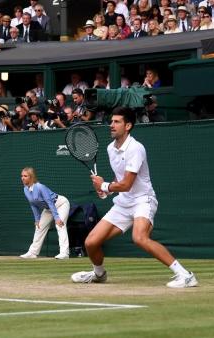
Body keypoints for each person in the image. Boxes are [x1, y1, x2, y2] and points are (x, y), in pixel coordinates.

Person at [71, 107, 198, 288]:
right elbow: (120, 179)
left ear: (128, 125)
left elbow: (128, 184)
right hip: (123, 203)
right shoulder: (110, 148)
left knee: (139, 237)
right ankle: (99, 274)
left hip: (143, 200)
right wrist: (107, 190)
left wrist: (105, 185)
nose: (111, 125)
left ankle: (185, 275)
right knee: (91, 242)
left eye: (117, 122)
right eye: (111, 121)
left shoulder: (136, 148)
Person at [19, 167, 70, 259]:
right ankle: (32, 253)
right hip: (48, 209)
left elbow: (50, 202)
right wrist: (37, 219)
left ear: (31, 177)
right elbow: (33, 205)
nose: (22, 178)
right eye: (22, 176)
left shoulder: (40, 187)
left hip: (60, 203)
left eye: (25, 176)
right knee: (39, 226)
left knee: (60, 225)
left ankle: (64, 253)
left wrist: (57, 217)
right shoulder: (25, 189)